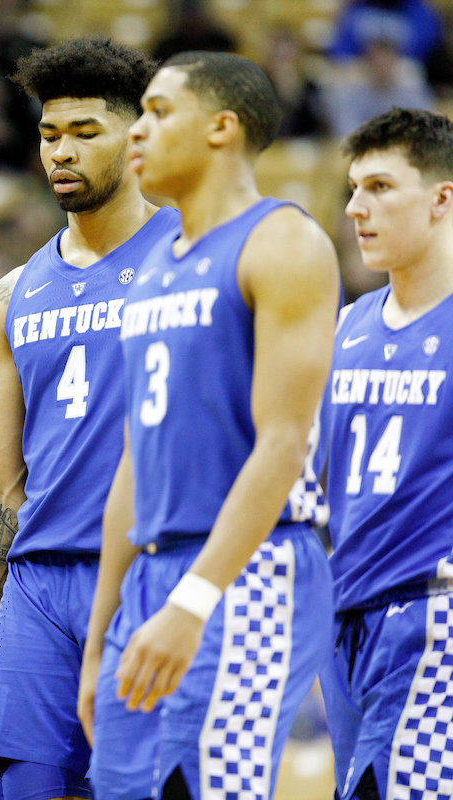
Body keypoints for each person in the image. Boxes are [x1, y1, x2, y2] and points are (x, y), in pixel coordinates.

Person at [80, 51, 340, 800]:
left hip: (251, 567)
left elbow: (285, 445)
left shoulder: (282, 242)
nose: (138, 132)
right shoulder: (154, 265)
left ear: (223, 127)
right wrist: (103, 636)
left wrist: (193, 601)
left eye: (160, 113)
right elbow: (135, 461)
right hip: (151, 575)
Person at [0, 38, 176, 800]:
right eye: (49, 135)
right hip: (37, 587)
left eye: (85, 132)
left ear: (137, 138)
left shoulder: (190, 258)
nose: (61, 152)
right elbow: (1, 485)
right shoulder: (14, 291)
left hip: (145, 573)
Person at [316, 107, 453, 800]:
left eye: (378, 187)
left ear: (441, 198)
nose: (354, 208)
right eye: (352, 188)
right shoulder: (347, 325)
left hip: (433, 617)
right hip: (343, 621)